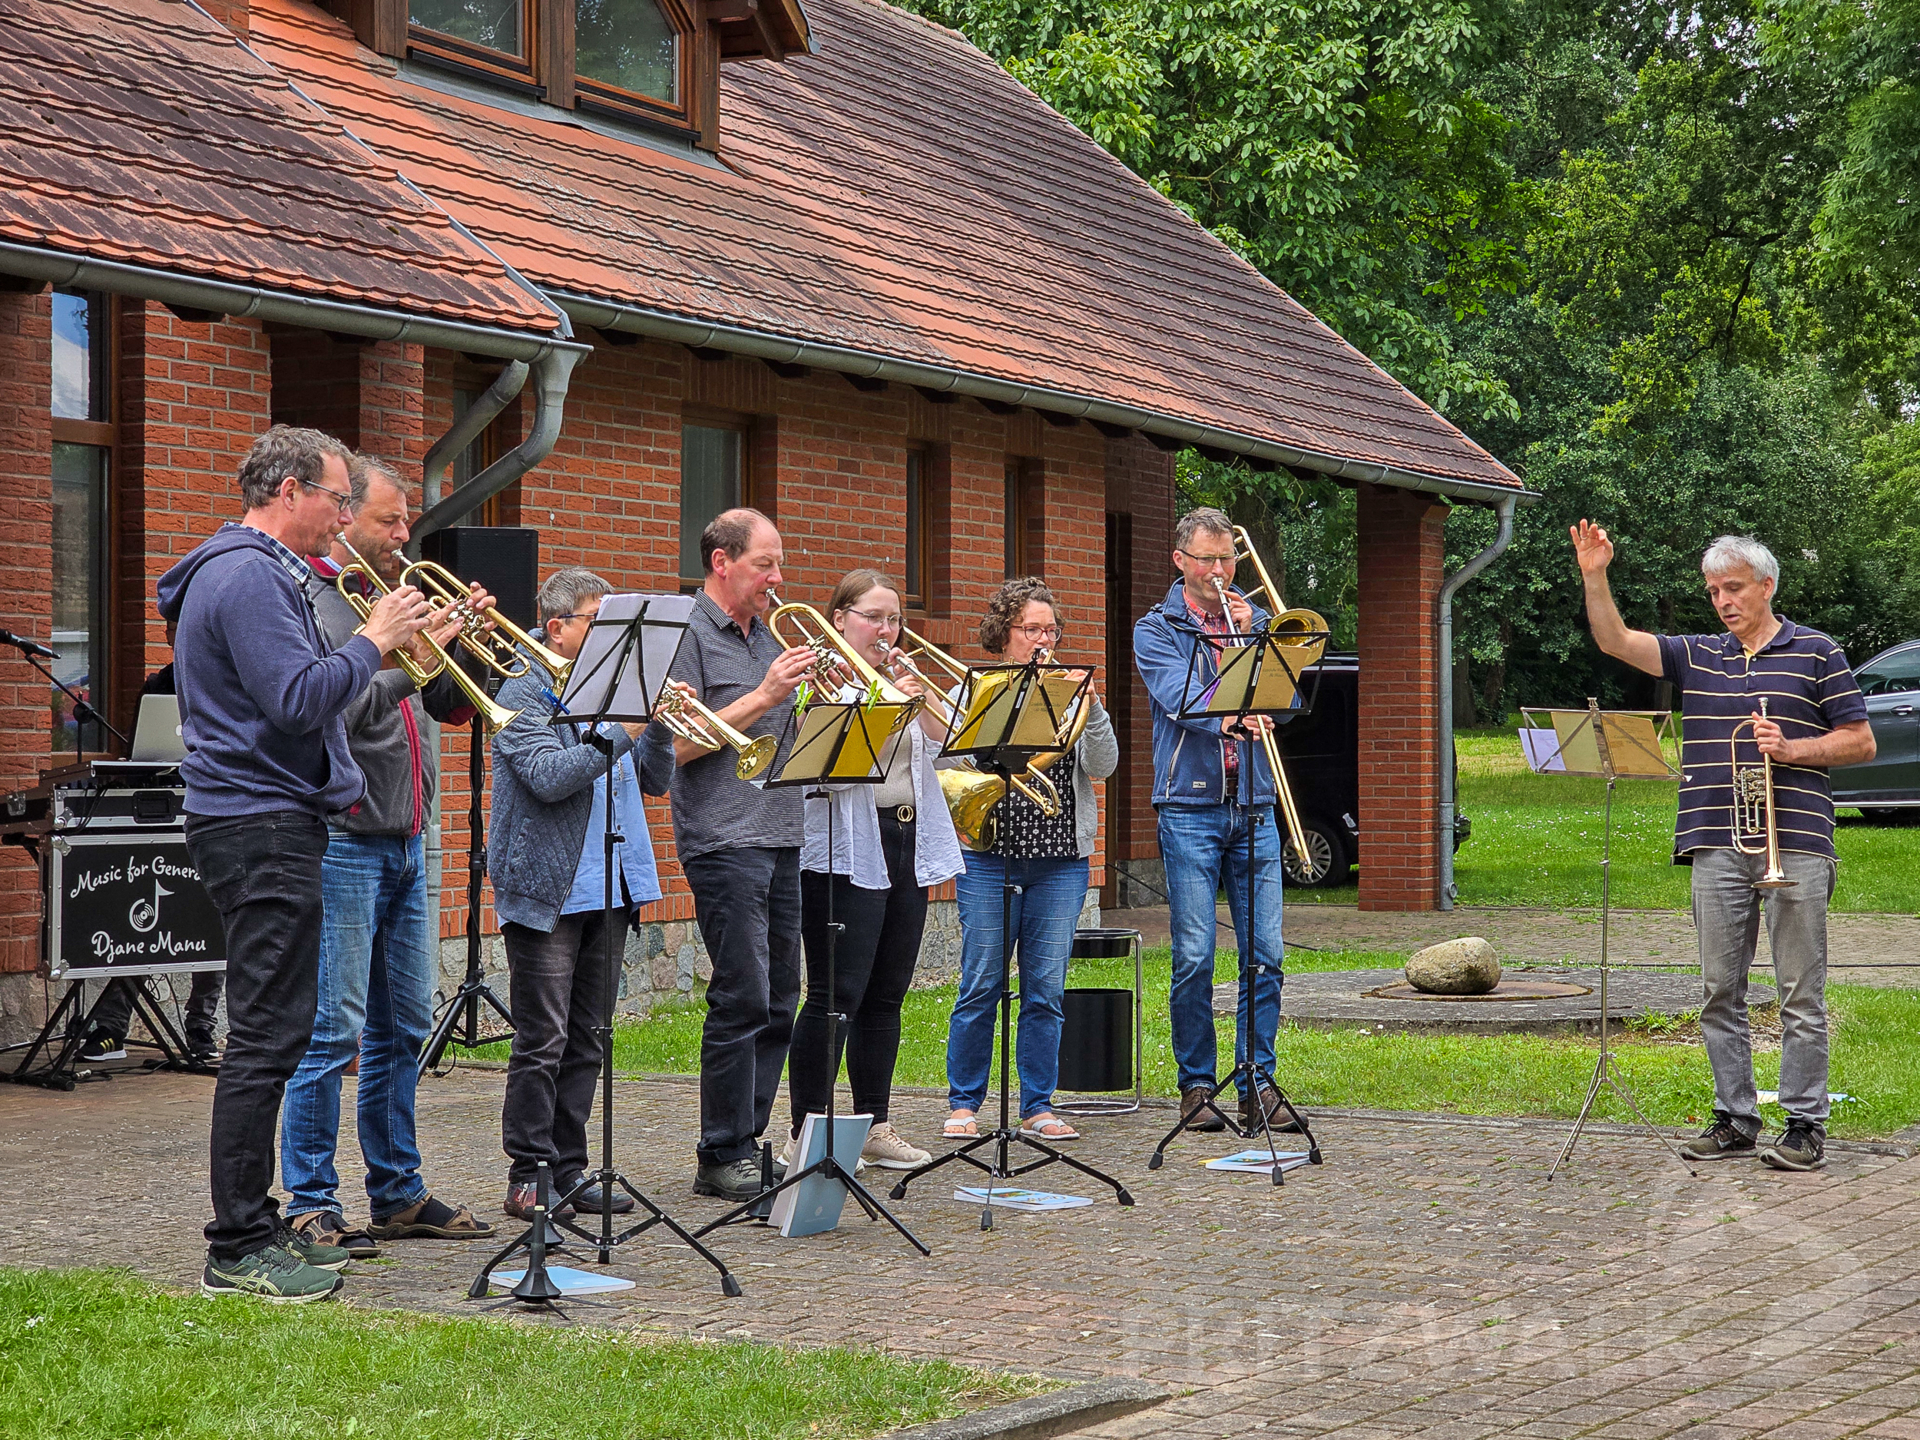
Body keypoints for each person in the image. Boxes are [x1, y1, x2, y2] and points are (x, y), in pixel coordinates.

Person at [156, 424, 434, 1303]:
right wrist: (375, 636)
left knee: (279, 1029)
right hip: (258, 823)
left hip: (274, 821)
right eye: (337, 498)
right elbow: (295, 701)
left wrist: (395, 661)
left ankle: (258, 1220)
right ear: (288, 491)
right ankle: (237, 1245)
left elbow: (319, 699)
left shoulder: (259, 572)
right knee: (269, 1038)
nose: (344, 515)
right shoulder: (245, 574)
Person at [1572, 522, 1874, 1172]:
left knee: (1799, 991)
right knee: (1718, 990)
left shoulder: (1817, 651)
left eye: (1733, 589)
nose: (1723, 602)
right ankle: (1735, 1118)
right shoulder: (1697, 653)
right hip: (1715, 839)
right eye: (1713, 592)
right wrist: (1595, 575)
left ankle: (1803, 1124)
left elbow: (1861, 740)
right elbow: (1614, 640)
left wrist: (1794, 749)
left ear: (1766, 586)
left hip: (1794, 841)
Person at [277, 454, 496, 1258]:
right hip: (343, 837)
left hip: (410, 834)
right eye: (389, 521)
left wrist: (459, 644)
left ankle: (396, 1193)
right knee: (330, 1030)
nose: (405, 536)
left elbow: (448, 704)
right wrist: (403, 657)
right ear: (346, 520)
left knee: (404, 1025)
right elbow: (331, 709)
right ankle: (309, 1200)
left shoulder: (393, 599)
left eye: (408, 523)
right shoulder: (320, 604)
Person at [490, 567, 675, 1221]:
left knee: (590, 1036)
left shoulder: (616, 686)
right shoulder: (523, 685)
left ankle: (568, 1171)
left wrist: (657, 722)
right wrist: (622, 727)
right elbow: (547, 776)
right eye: (600, 621)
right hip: (549, 885)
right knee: (543, 1037)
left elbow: (656, 779)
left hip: (614, 879)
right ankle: (526, 1175)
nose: (611, 636)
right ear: (559, 625)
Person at [655, 508, 813, 1203]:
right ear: (722, 562)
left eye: (778, 566)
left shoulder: (769, 634)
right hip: (723, 836)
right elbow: (673, 748)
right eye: (764, 565)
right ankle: (718, 1149)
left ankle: (747, 1141)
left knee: (782, 997)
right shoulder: (685, 635)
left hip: (782, 829)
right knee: (741, 994)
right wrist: (765, 694)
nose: (777, 580)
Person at [783, 569, 965, 1172]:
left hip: (908, 837)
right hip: (845, 845)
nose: (887, 631)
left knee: (887, 995)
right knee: (836, 994)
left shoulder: (903, 678)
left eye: (895, 620)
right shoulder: (817, 677)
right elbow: (811, 759)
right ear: (840, 619)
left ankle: (874, 1123)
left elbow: (953, 745)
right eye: (874, 618)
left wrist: (920, 698)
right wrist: (867, 699)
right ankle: (806, 1132)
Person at [1132, 507, 1292, 1133]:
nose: (1221, 572)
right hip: (1190, 806)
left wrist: (1257, 644)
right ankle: (1197, 1084)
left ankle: (1258, 1080)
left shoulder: (1252, 624)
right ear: (1181, 561)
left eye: (1228, 560)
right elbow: (1179, 697)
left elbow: (1287, 690)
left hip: (1254, 801)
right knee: (1196, 954)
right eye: (1207, 560)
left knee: (1267, 954)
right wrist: (1230, 696)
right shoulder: (1157, 628)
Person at [943, 577, 1116, 1141]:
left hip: (1061, 858)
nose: (1044, 639)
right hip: (991, 854)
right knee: (981, 982)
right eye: (1031, 629)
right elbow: (956, 765)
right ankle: (965, 1102)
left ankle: (1037, 1104)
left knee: (1045, 987)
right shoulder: (978, 689)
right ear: (1005, 635)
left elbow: (1104, 765)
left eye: (1050, 629)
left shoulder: (1072, 691)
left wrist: (1091, 711)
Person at [79, 618, 224, 1065]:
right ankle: (111, 1026)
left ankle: (202, 1028)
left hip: (219, 810)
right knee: (144, 916)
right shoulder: (159, 685)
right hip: (164, 808)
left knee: (212, 918)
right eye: (175, 631)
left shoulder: (231, 676)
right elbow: (144, 753)